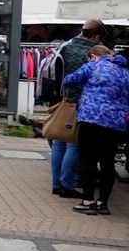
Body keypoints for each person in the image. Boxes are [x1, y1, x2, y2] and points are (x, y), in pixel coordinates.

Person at [62, 44, 129, 215]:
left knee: (88, 160)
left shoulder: (93, 65)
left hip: (91, 119)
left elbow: (68, 80)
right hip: (116, 123)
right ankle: (103, 203)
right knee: (108, 162)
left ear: (93, 56)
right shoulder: (125, 72)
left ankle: (88, 201)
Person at [51, 19, 106, 198]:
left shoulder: (66, 46)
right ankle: (67, 185)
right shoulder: (92, 53)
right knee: (73, 144)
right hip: (82, 102)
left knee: (59, 143)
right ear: (96, 36)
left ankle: (56, 184)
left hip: (64, 99)